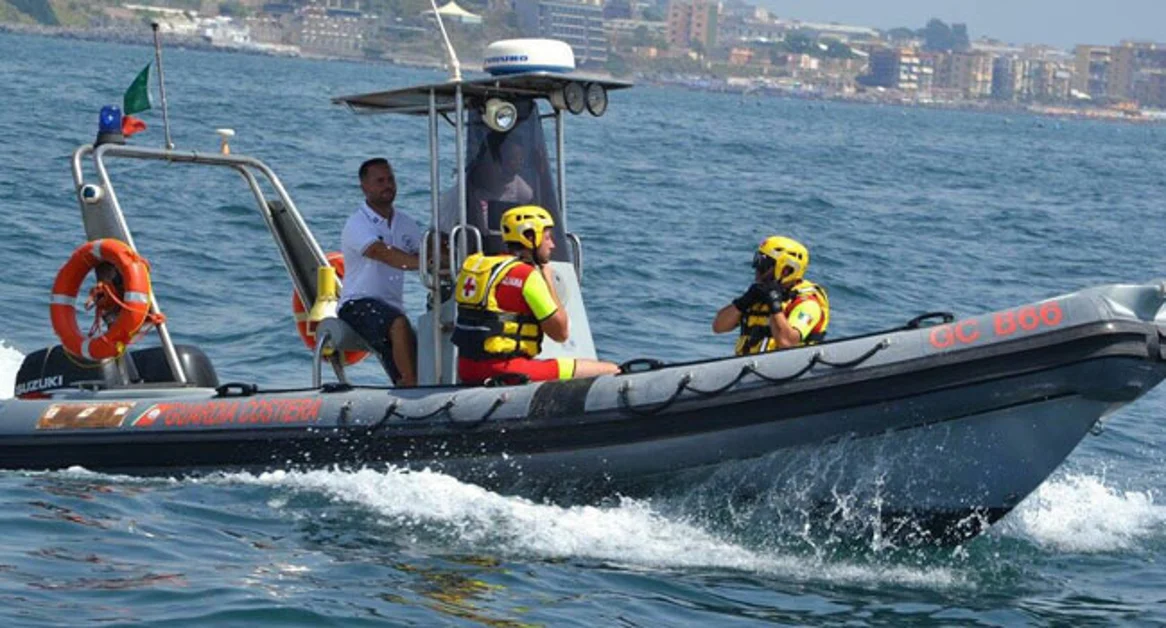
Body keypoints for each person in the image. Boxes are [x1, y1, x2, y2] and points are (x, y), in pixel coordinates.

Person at [452, 205, 620, 385]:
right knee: (611, 370)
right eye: (547, 238)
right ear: (530, 237)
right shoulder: (526, 276)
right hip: (506, 369)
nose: (552, 245)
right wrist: (546, 275)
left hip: (466, 369)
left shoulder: (481, 268)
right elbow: (560, 333)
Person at [338, 158, 422, 387]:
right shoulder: (357, 223)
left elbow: (425, 251)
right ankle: (410, 385)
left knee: (418, 338)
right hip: (357, 305)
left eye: (391, 179)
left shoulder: (405, 223)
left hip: (391, 306)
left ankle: (407, 388)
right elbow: (381, 252)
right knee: (398, 323)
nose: (388, 185)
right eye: (380, 181)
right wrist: (423, 264)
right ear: (364, 186)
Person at [712, 236, 830, 354]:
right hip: (751, 366)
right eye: (757, 261)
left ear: (786, 270)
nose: (757, 270)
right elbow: (718, 327)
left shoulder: (808, 303)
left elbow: (788, 342)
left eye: (764, 265)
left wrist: (775, 307)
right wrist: (743, 302)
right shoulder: (758, 295)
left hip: (787, 369)